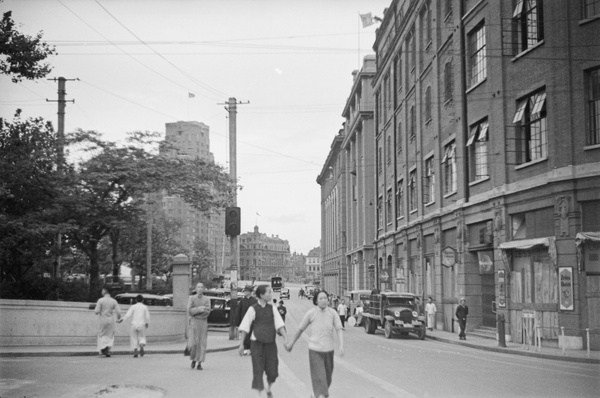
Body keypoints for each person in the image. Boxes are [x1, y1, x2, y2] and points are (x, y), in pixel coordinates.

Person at [286, 290, 344, 398]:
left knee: (327, 378)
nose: (323, 300)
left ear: (328, 300)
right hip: (315, 350)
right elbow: (300, 329)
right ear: (316, 301)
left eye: (325, 298)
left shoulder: (333, 313)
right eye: (320, 298)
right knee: (319, 377)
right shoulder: (311, 313)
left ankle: (316, 394)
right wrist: (292, 343)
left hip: (329, 350)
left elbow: (339, 329)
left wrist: (341, 345)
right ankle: (320, 395)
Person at [238, 285, 288, 398]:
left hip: (270, 344)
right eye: (268, 292)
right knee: (258, 369)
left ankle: (268, 388)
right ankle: (259, 394)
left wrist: (286, 338)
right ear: (261, 295)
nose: (271, 295)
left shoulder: (273, 309)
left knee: (273, 370)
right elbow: (245, 327)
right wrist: (241, 344)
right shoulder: (253, 309)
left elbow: (280, 325)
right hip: (257, 344)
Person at [188, 282, 211, 369]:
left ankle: (200, 363)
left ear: (204, 289)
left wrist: (197, 311)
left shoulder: (207, 299)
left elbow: (207, 312)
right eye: (198, 287)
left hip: (203, 323)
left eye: (202, 287)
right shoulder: (191, 298)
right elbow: (190, 311)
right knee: (194, 342)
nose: (200, 289)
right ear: (196, 288)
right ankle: (193, 360)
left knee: (202, 343)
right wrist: (201, 309)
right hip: (194, 323)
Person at [94, 286, 122, 358]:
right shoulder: (114, 301)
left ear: (105, 291)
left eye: (102, 290)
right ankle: (108, 350)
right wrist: (118, 318)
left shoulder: (100, 300)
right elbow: (119, 312)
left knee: (102, 334)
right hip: (111, 320)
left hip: (103, 320)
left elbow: (96, 311)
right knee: (110, 335)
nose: (101, 292)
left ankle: (103, 348)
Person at [236, 285, 258, 355]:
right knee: (245, 334)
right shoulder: (242, 301)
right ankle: (245, 348)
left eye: (246, 291)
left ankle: (250, 349)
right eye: (245, 291)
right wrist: (238, 322)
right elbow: (239, 311)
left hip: (252, 321)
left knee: (251, 334)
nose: (245, 292)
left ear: (250, 292)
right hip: (244, 320)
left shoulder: (254, 301)